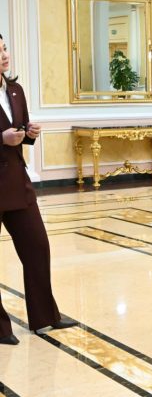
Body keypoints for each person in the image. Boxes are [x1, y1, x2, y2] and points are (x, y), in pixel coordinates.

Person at [0, 33, 77, 346]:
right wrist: (1, 139)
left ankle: (45, 316)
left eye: (4, 48)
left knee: (37, 247)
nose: (4, 55)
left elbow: (20, 129)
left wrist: (29, 133)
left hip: (17, 184)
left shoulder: (15, 90)